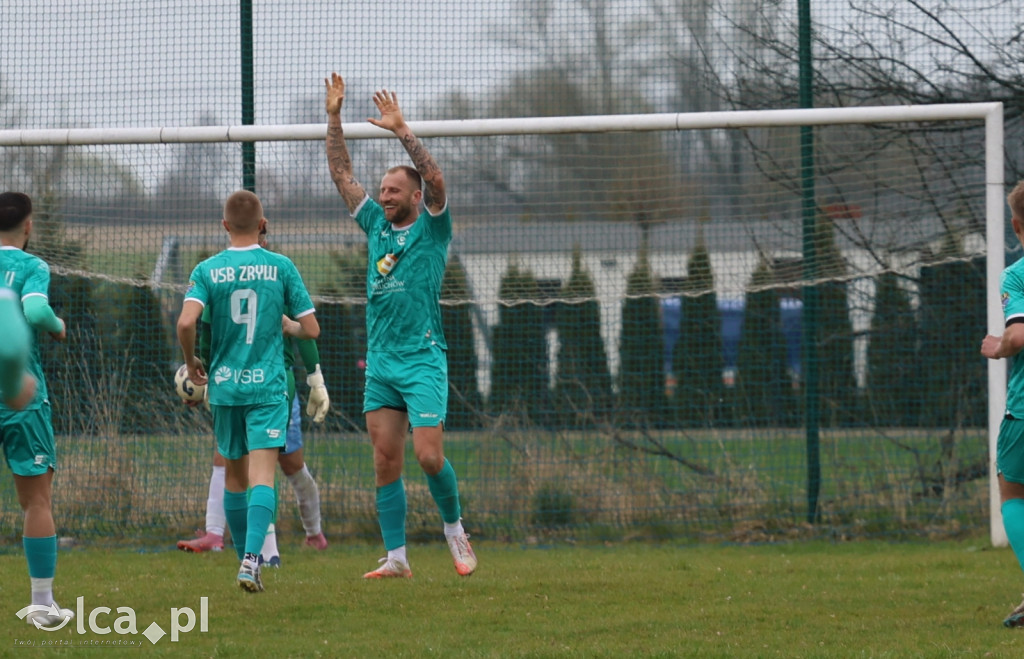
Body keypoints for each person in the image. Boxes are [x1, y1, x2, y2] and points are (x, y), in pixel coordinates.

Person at [324, 72, 476, 578]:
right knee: (385, 458)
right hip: (382, 361)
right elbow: (343, 176)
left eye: (393, 190)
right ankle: (397, 559)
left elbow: (436, 180)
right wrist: (334, 119)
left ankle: (455, 530)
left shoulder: (433, 227)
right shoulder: (375, 226)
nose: (384, 196)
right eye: (383, 189)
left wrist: (402, 130)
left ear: (413, 198)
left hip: (422, 356)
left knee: (429, 457)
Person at [177, 190, 319, 593]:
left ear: (224, 225)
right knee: (263, 476)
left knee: (234, 479)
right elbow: (310, 329)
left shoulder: (206, 269)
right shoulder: (281, 266)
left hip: (225, 390)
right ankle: (253, 559)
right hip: (268, 387)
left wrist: (191, 363)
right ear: (262, 224)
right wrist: (288, 326)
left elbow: (186, 324)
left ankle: (245, 558)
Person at [0, 192, 75, 627]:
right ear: (28, 227)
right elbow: (34, 307)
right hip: (20, 392)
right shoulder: (32, 266)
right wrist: (58, 326)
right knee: (36, 500)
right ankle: (42, 604)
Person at [982, 179, 1024, 627]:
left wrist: (1000, 346)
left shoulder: (1016, 274)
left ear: (1016, 226)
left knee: (1013, 490)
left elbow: (1019, 333)